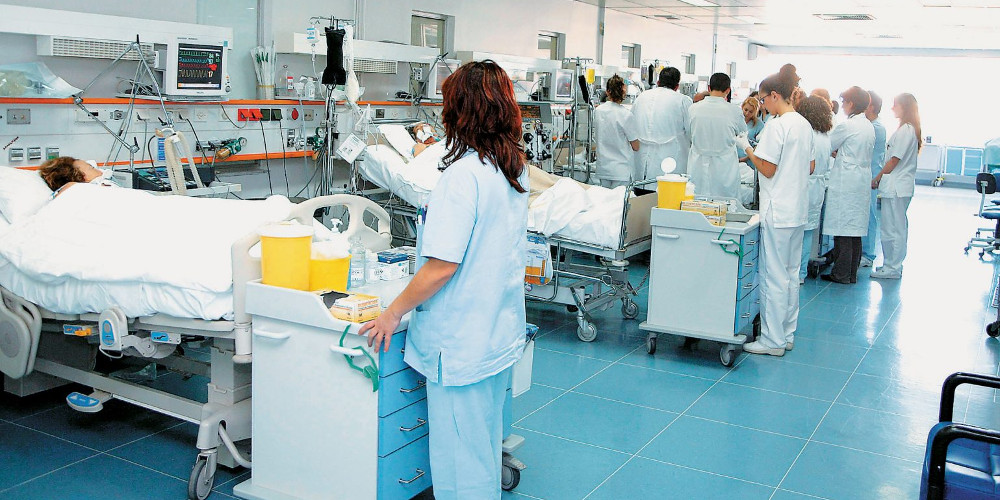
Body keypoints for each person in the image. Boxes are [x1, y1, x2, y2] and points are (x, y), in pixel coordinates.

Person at [358, 60, 528, 500]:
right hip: (495, 331)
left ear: (460, 111)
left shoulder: (462, 177)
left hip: (461, 343)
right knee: (482, 446)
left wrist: (392, 313)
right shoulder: (512, 167)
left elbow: (440, 267)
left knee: (459, 460)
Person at [741, 64, 814, 357]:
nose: (762, 106)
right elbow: (810, 166)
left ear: (774, 95)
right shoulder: (803, 124)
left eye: (762, 100)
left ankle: (772, 341)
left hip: (778, 210)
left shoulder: (777, 125)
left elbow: (767, 169)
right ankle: (786, 334)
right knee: (790, 275)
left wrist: (747, 149)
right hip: (796, 210)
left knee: (773, 275)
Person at [821, 86, 875, 284]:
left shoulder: (848, 125)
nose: (842, 105)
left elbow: (828, 144)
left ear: (851, 103)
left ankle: (841, 274)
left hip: (847, 181)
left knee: (843, 229)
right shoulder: (867, 125)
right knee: (855, 232)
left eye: (844, 102)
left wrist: (836, 152)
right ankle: (851, 273)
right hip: (860, 180)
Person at [871, 93, 922, 279]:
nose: (892, 108)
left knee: (893, 228)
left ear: (905, 107)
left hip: (896, 187)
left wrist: (877, 177)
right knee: (894, 227)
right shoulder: (907, 129)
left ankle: (892, 267)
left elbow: (894, 160)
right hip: (898, 186)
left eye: (896, 105)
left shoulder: (906, 130)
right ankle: (891, 265)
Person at [686, 72, 746, 199]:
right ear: (728, 90)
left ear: (709, 88)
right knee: (725, 203)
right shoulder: (734, 111)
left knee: (697, 202)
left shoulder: (693, 109)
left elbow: (689, 134)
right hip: (725, 167)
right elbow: (742, 135)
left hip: (698, 164)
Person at [795, 96, 834, 284]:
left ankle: (794, 272)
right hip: (817, 188)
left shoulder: (806, 134)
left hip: (804, 186)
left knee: (796, 233)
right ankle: (801, 273)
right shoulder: (825, 137)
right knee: (808, 233)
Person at [628, 67, 691, 180]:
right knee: (666, 188)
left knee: (641, 188)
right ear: (677, 86)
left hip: (641, 158)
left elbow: (630, 125)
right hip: (671, 159)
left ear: (658, 82)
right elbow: (691, 131)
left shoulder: (642, 97)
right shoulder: (683, 101)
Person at [593, 74, 640, 188]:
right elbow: (636, 146)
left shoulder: (598, 111)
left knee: (605, 198)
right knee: (620, 199)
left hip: (604, 169)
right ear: (624, 93)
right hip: (621, 171)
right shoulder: (626, 115)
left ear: (607, 92)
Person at [860, 91, 887, 268]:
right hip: (867, 175)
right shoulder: (872, 126)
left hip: (870, 177)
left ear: (871, 106)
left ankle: (868, 254)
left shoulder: (875, 128)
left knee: (869, 215)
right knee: (865, 214)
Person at [39, 156, 114, 196]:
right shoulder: (77, 188)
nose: (99, 170)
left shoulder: (102, 183)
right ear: (83, 177)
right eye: (91, 167)